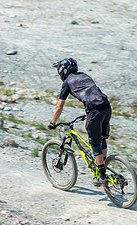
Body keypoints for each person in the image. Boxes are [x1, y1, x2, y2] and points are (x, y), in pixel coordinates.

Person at [48, 57, 112, 187]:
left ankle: (102, 176)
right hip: (106, 107)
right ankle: (103, 165)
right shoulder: (84, 75)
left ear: (63, 70)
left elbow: (59, 106)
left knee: (94, 143)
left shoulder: (67, 82)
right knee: (101, 139)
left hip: (94, 110)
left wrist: (53, 123)